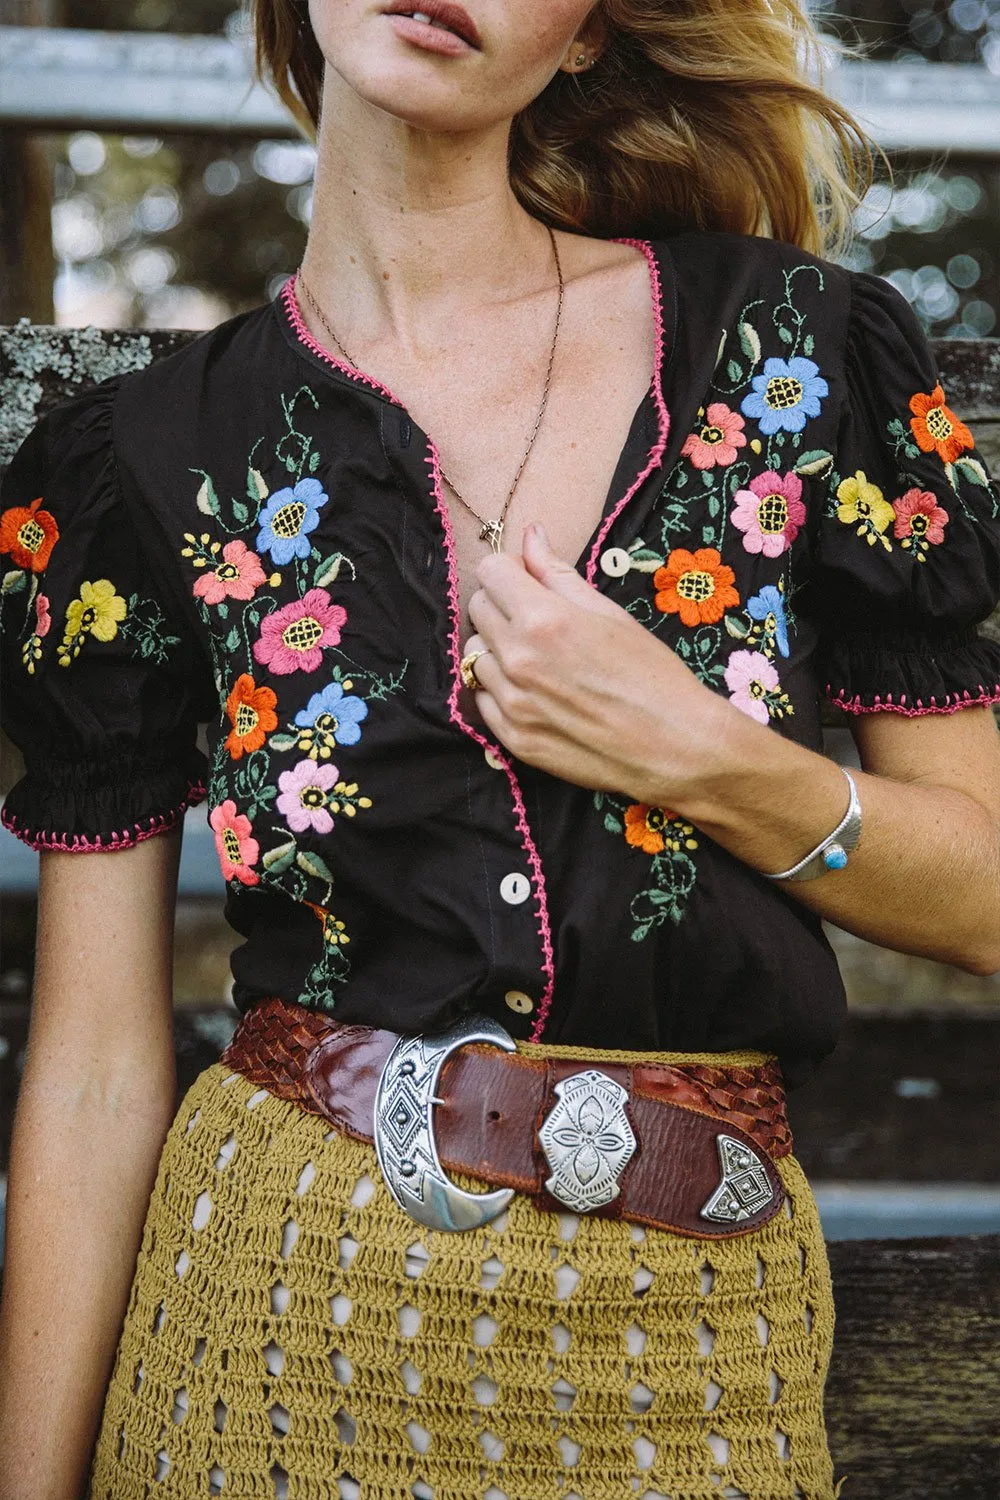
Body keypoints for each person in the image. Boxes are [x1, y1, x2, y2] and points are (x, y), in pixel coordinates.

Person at [2, 0, 1000, 1495]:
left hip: (691, 1338)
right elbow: (90, 1070)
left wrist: (702, 755)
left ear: (590, 35)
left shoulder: (805, 356)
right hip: (265, 1330)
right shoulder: (138, 460)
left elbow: (986, 895)